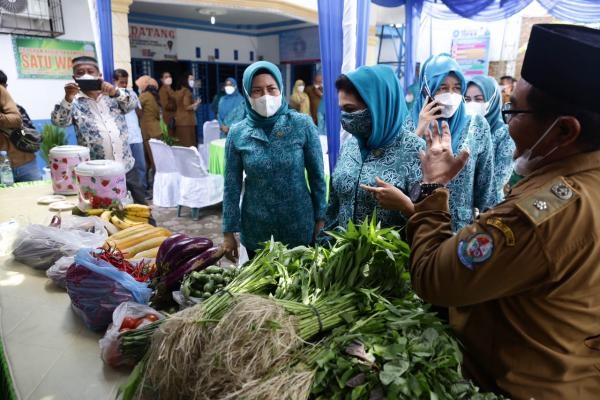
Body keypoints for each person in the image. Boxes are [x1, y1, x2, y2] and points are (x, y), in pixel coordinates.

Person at [374, 24, 600, 399]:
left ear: (564, 131)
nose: (507, 125)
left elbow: (434, 277)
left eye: (515, 112)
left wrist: (433, 188)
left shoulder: (542, 214)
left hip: (523, 385)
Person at [221, 61, 327, 261]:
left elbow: (317, 177)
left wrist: (320, 219)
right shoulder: (238, 133)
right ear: (247, 94)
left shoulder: (302, 125)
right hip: (257, 231)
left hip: (298, 226)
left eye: (271, 89)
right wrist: (228, 232)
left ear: (281, 89)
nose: (265, 96)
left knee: (300, 288)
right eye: (257, 91)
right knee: (261, 290)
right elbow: (231, 186)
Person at [322, 64, 423, 236]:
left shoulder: (416, 151)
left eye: (350, 110)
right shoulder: (350, 145)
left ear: (378, 107)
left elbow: (433, 224)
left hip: (392, 260)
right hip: (344, 259)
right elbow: (334, 206)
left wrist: (405, 205)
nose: (345, 118)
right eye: (342, 110)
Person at [410, 53, 497, 230]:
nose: (450, 94)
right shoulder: (409, 123)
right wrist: (419, 129)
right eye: (442, 88)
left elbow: (486, 184)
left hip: (459, 229)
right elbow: (398, 172)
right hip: (416, 222)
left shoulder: (477, 125)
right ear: (427, 89)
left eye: (457, 88)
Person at [50, 56, 147, 205]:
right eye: (80, 72)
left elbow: (133, 103)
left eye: (90, 71)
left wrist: (115, 92)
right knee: (106, 213)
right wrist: (68, 98)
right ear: (74, 77)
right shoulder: (73, 102)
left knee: (141, 209)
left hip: (127, 167)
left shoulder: (114, 95)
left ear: (99, 75)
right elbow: (59, 122)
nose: (86, 75)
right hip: (98, 174)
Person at [465, 75, 515, 199]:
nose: (472, 104)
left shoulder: (505, 133)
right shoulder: (463, 128)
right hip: (460, 203)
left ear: (492, 99)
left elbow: (500, 178)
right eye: (467, 99)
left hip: (489, 207)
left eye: (478, 99)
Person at [0, 70, 41, 182]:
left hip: (26, 164)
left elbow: (29, 130)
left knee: (36, 196)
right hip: (3, 168)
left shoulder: (17, 108)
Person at [114, 69, 147, 196]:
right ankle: (127, 193)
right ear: (115, 81)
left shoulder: (132, 93)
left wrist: (136, 103)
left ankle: (142, 192)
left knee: (140, 166)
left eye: (126, 82)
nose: (124, 85)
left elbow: (140, 113)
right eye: (121, 82)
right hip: (122, 139)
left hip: (136, 137)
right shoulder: (111, 97)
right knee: (125, 168)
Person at [135, 75, 163, 190]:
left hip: (149, 133)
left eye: (139, 86)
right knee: (153, 161)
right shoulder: (153, 96)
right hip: (155, 131)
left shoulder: (145, 96)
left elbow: (134, 106)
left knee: (153, 162)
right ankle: (153, 186)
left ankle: (156, 187)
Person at [173, 73, 200, 147]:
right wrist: (196, 103)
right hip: (188, 122)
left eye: (193, 79)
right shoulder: (186, 91)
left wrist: (195, 105)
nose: (192, 81)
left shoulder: (177, 91)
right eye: (191, 79)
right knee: (189, 145)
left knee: (181, 145)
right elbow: (186, 106)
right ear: (185, 80)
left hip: (179, 121)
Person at [158, 71, 176, 136]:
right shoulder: (162, 90)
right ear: (162, 80)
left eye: (169, 76)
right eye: (166, 77)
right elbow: (165, 105)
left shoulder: (170, 89)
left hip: (174, 118)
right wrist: (177, 104)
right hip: (169, 119)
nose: (168, 78)